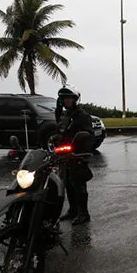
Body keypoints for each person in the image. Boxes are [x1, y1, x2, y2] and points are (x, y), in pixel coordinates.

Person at [55, 85, 94, 225]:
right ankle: (73, 210)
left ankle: (84, 213)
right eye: (63, 98)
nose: (66, 101)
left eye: (68, 98)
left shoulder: (82, 116)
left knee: (78, 184)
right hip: (64, 155)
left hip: (77, 155)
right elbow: (60, 130)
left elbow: (89, 135)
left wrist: (79, 149)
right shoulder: (65, 115)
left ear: (75, 99)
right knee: (68, 184)